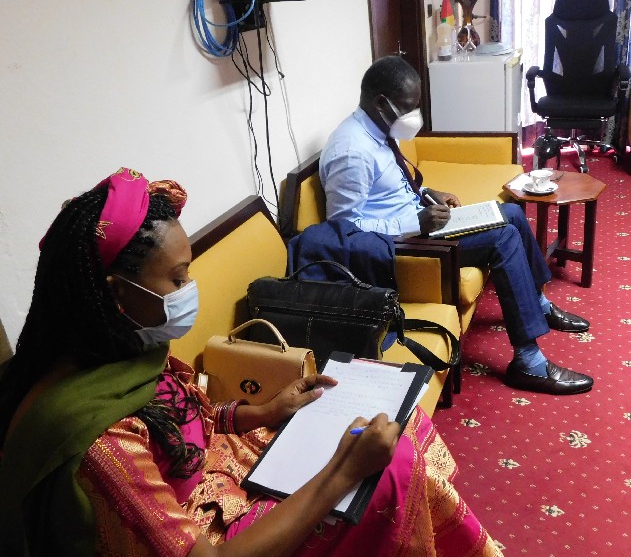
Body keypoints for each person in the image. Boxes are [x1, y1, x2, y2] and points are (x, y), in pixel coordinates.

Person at [0, 167, 502, 556]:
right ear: (117, 294)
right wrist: (341, 474)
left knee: (394, 415)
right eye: (176, 279)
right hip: (209, 531)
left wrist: (261, 412)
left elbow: (181, 419)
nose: (188, 290)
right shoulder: (101, 446)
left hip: (221, 469)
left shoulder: (120, 350)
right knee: (386, 470)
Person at [319, 56, 594, 395]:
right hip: (399, 247)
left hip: (419, 225)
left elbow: (388, 191)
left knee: (510, 213)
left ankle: (537, 304)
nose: (413, 115)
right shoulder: (352, 151)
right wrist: (413, 222)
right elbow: (343, 230)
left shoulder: (379, 129)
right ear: (380, 102)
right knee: (503, 238)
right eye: (408, 107)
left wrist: (425, 193)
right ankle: (529, 362)